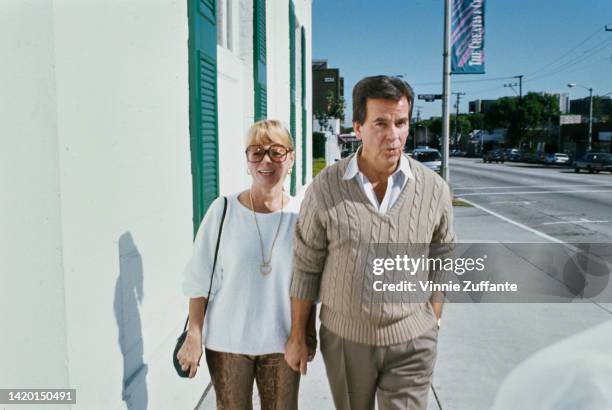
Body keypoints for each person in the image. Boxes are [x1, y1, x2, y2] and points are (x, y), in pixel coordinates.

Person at [285, 75, 456, 410]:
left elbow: (443, 254)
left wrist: (434, 316)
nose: (393, 135)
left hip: (412, 341)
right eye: (380, 122)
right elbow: (306, 265)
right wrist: (298, 335)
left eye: (401, 122)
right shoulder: (326, 187)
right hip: (346, 340)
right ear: (358, 127)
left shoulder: (434, 188)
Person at [178, 119, 315, 409]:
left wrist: (302, 337)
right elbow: (199, 278)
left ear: (290, 158)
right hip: (228, 344)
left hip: (282, 344)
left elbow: (309, 284)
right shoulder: (223, 210)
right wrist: (194, 334)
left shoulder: (301, 218)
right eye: (256, 152)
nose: (266, 160)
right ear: (247, 161)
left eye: (276, 152)